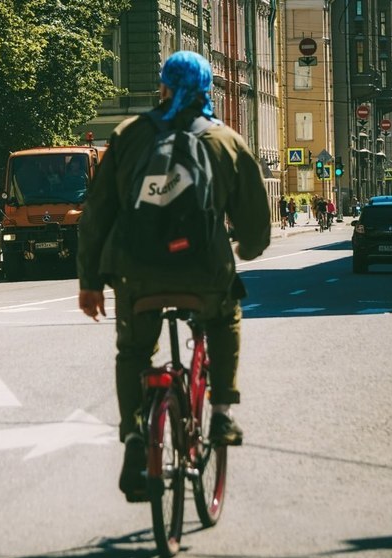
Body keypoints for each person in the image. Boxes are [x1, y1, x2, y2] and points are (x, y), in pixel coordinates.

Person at [76, 51, 271, 502]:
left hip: (136, 275)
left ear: (161, 88)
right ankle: (221, 410)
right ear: (208, 89)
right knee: (225, 318)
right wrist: (247, 247)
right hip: (205, 273)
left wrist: (89, 281)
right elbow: (255, 219)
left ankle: (133, 436)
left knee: (133, 352)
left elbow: (97, 214)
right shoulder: (224, 141)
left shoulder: (129, 136)